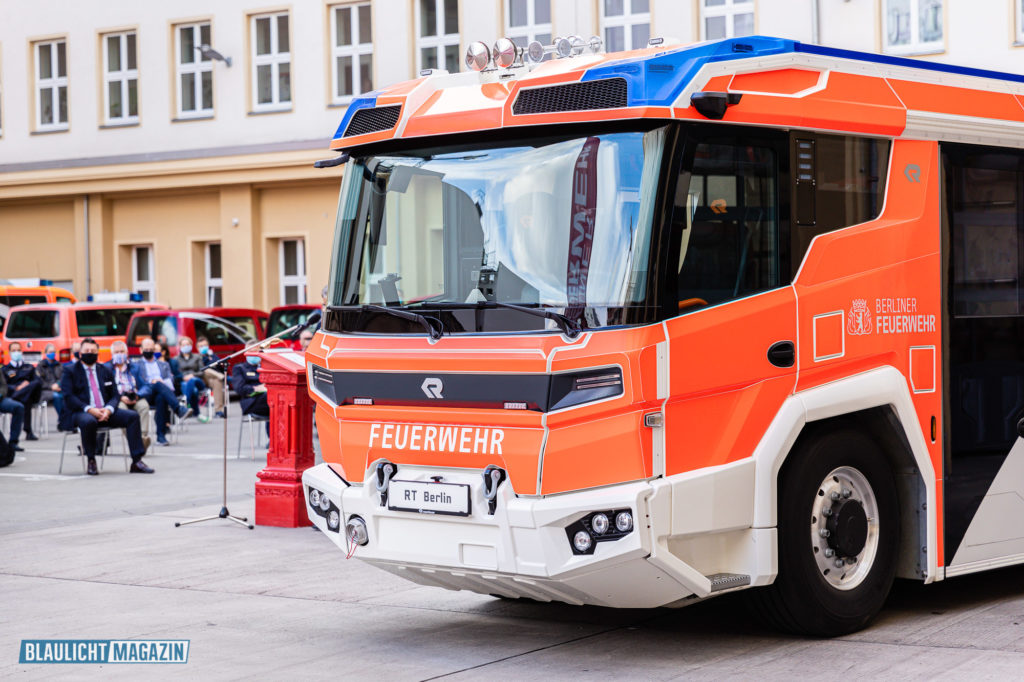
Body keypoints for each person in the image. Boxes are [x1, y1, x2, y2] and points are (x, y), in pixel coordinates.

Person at [59, 337, 152, 476]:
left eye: (93, 351)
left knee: (132, 417)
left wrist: (108, 409)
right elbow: (68, 396)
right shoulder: (70, 371)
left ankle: (137, 461)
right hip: (81, 411)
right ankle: (91, 460)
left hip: (105, 410)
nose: (90, 353)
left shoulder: (105, 370)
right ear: (80, 353)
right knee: (88, 421)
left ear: (98, 353)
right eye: (86, 351)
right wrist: (90, 409)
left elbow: (115, 395)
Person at [132, 338, 190, 446]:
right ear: (141, 350)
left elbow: (170, 379)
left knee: (161, 398)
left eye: (151, 349)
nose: (149, 351)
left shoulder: (164, 364)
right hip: (145, 393)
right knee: (157, 384)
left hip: (161, 392)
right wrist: (152, 382)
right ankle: (178, 409)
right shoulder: (136, 365)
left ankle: (160, 436)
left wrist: (161, 382)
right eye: (146, 349)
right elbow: (137, 382)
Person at [106, 341, 151, 451]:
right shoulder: (106, 368)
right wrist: (120, 397)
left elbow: (146, 385)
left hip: (135, 395)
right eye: (117, 352)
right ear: (112, 354)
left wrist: (137, 395)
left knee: (144, 406)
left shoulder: (135, 366)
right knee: (122, 411)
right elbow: (105, 389)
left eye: (122, 351)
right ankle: (137, 441)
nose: (120, 354)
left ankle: (142, 437)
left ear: (127, 352)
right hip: (118, 398)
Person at [2, 342, 42, 441]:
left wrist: (25, 386)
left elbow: (37, 381)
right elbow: (4, 385)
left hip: (29, 395)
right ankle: (28, 431)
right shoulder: (5, 369)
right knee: (25, 400)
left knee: (35, 384)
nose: (16, 352)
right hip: (13, 395)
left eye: (18, 350)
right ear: (9, 352)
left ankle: (21, 395)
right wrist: (17, 388)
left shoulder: (29, 367)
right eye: (14, 350)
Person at [172, 336, 206, 420]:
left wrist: (193, 375)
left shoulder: (197, 357)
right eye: (183, 345)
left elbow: (202, 371)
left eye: (187, 344)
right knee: (193, 390)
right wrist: (183, 377)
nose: (185, 346)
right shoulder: (175, 359)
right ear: (180, 346)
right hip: (184, 382)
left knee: (192, 381)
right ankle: (196, 412)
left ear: (191, 345)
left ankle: (186, 405)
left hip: (197, 380)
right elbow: (175, 374)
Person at [231, 354, 269, 425]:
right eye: (252, 352)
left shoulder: (265, 368)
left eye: (257, 352)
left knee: (276, 403)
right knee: (271, 399)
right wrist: (256, 388)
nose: (255, 355)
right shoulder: (240, 368)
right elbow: (239, 388)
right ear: (246, 353)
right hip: (251, 402)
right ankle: (272, 435)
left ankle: (273, 435)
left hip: (267, 400)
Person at [196, 337, 226, 418]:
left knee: (217, 381)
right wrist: (205, 357)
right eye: (201, 346)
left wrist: (211, 356)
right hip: (203, 379)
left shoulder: (213, 355)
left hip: (213, 379)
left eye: (205, 345)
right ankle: (221, 377)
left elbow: (220, 365)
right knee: (206, 369)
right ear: (197, 348)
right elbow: (200, 369)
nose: (203, 347)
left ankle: (218, 411)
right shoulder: (197, 357)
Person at [0, 368, 26, 452]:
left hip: (1, 399)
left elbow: (3, 385)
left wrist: (1, 394)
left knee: (18, 407)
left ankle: (13, 442)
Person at [36, 343, 65, 418]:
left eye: (53, 352)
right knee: (57, 396)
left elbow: (63, 377)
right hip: (45, 391)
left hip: (59, 389)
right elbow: (39, 381)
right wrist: (51, 387)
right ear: (45, 353)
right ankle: (63, 419)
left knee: (69, 396)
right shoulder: (40, 366)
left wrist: (58, 385)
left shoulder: (59, 365)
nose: (52, 353)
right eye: (50, 352)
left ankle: (67, 420)